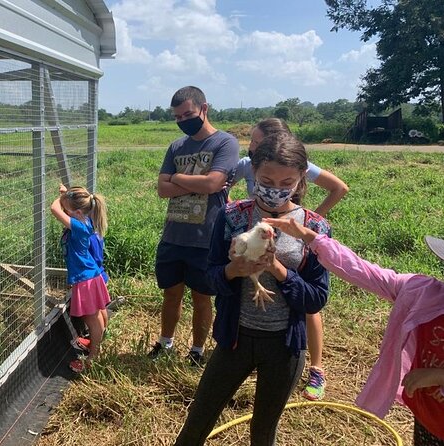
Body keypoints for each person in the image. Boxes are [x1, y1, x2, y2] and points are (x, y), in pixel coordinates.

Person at [174, 132, 331, 445]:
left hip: (284, 346)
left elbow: (316, 298)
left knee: (263, 432)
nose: (275, 189)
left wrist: (280, 271)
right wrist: (233, 270)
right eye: (266, 179)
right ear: (253, 174)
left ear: (302, 178)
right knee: (198, 421)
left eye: (287, 181)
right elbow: (208, 278)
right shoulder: (232, 217)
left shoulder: (313, 228)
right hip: (236, 338)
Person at [265, 216, 444, 445]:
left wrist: (438, 375)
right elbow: (364, 271)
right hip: (428, 417)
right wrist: (309, 237)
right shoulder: (423, 293)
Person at [230, 117, 349, 401]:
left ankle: (316, 367)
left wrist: (309, 226)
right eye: (267, 181)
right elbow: (223, 186)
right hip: (257, 232)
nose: (252, 146)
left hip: (289, 234)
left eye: (257, 142)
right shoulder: (237, 203)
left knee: (307, 309)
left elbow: (315, 296)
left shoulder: (310, 219)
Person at [149, 86, 240, 366]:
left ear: (204, 109)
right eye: (177, 117)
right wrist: (194, 183)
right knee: (171, 293)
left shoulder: (225, 143)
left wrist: (176, 177)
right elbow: (161, 190)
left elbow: (214, 184)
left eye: (187, 114)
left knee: (202, 297)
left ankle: (198, 350)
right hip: (174, 233)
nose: (183, 120)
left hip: (207, 236)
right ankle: (165, 343)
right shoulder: (177, 146)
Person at [51, 184, 110, 372]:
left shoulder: (78, 226)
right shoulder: (85, 218)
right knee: (99, 311)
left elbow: (54, 209)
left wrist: (59, 200)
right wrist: (65, 195)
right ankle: (98, 341)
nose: (64, 213)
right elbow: (70, 206)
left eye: (67, 210)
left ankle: (93, 357)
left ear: (76, 212)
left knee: (91, 318)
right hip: (91, 275)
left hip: (85, 279)